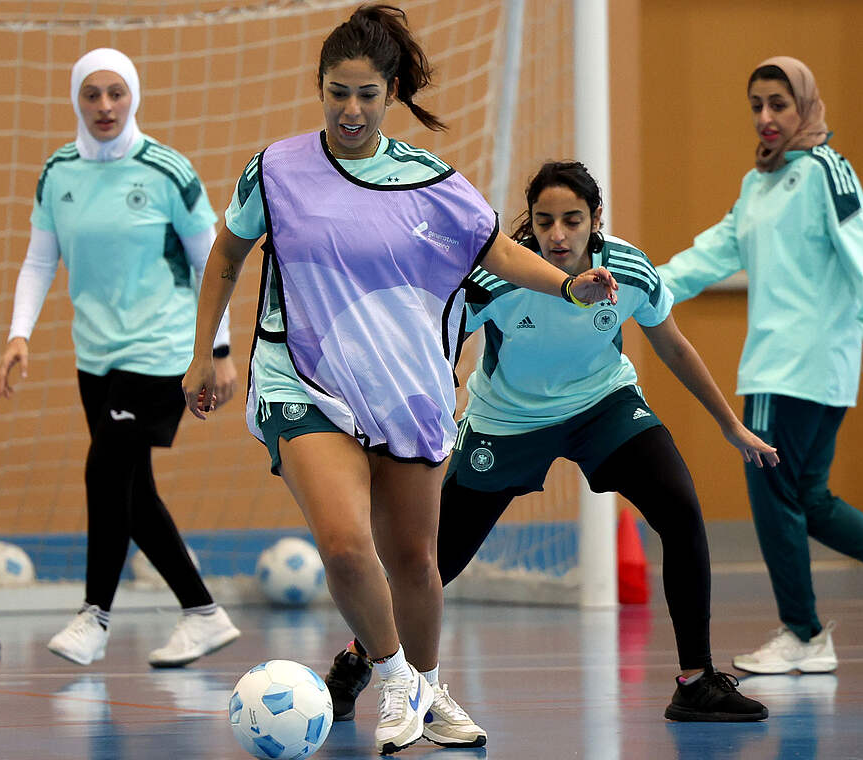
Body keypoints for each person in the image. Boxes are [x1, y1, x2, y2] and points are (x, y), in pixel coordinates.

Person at [181, 6, 618, 754]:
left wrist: (567, 286)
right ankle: (394, 681)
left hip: (403, 386)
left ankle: (429, 687)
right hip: (302, 380)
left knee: (415, 561)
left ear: (390, 95)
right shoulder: (275, 170)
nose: (350, 110)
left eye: (366, 95)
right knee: (345, 546)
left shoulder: (430, 181)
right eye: (337, 93)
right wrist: (206, 352)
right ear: (319, 87)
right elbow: (226, 256)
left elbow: (495, 252)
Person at [323, 160, 776, 723]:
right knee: (436, 561)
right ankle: (358, 658)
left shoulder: (629, 271)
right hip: (507, 422)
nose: (558, 235)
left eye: (572, 220)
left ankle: (697, 680)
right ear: (530, 222)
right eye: (544, 221)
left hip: (604, 407)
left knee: (680, 510)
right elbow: (435, 341)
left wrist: (730, 425)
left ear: (596, 220)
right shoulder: (499, 278)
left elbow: (674, 346)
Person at [657, 56, 863, 674]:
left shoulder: (826, 170)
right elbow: (713, 252)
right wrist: (643, 285)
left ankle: (804, 633)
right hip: (792, 370)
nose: (766, 117)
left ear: (805, 106)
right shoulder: (760, 183)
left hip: (794, 368)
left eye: (779, 104)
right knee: (807, 498)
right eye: (756, 106)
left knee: (775, 496)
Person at [0, 48, 241, 669]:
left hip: (161, 349)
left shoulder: (167, 170)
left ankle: (94, 615)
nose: (104, 106)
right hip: (95, 355)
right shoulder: (57, 172)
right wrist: (19, 333)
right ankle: (203, 613)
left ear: (133, 96)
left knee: (105, 474)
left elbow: (212, 261)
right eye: (92, 94)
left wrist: (219, 350)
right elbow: (39, 259)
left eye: (116, 93)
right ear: (76, 99)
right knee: (132, 490)